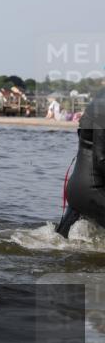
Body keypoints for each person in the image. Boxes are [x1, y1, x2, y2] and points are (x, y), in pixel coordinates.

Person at [56, 77, 105, 238]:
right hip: (92, 190)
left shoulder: (99, 100)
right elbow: (101, 159)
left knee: (56, 243)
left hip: (80, 189)